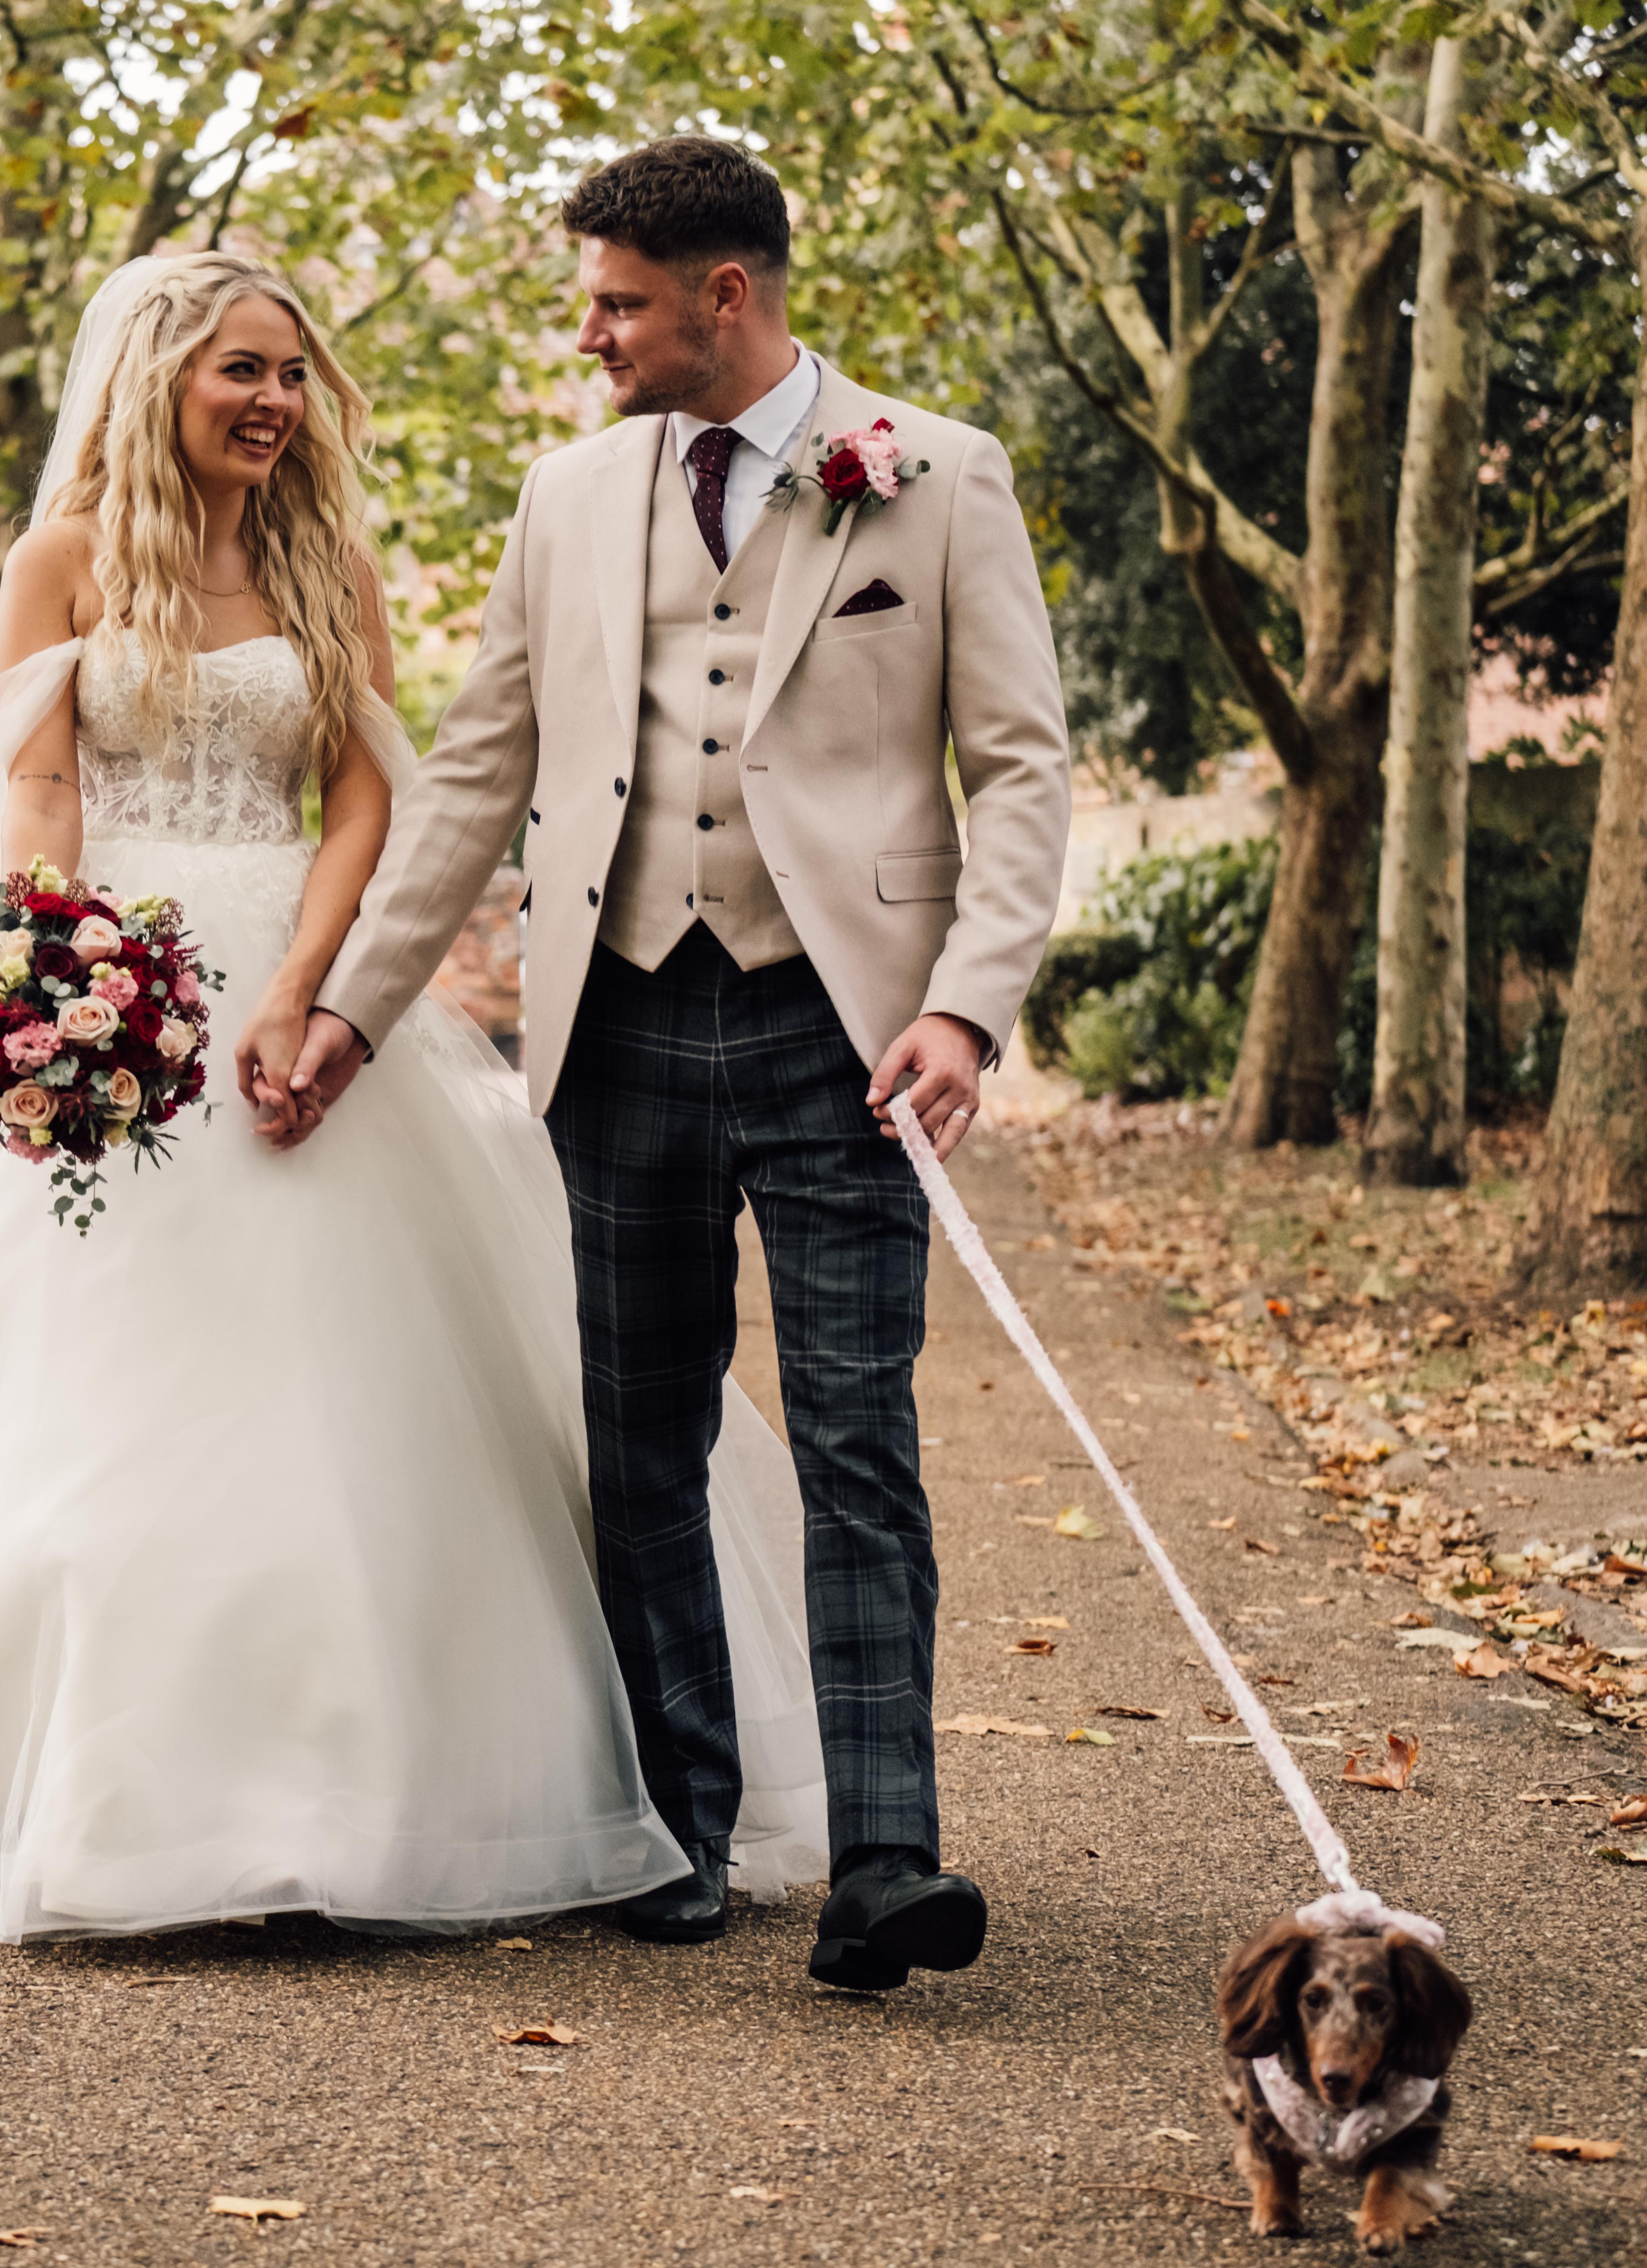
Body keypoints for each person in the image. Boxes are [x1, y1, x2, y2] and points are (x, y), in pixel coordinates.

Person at [0, 251, 828, 1941]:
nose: (274, 403)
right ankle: (49, 1802)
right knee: (57, 1396)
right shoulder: (61, 561)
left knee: (357, 1405)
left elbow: (370, 812)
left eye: (293, 377)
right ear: (158, 378)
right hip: (109, 992)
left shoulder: (330, 566)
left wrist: (308, 989)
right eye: (242, 370)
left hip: (295, 990)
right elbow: (40, 786)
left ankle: (359, 1802)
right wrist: (48, 985)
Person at [249, 140, 1074, 1989]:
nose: (592, 330)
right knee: (641, 1442)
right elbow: (473, 772)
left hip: (847, 1028)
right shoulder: (569, 495)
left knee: (865, 1436)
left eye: (619, 298)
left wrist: (964, 1002)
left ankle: (885, 1861)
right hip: (615, 1018)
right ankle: (680, 1826)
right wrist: (349, 1012)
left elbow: (1020, 768)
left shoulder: (939, 478)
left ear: (730, 295)